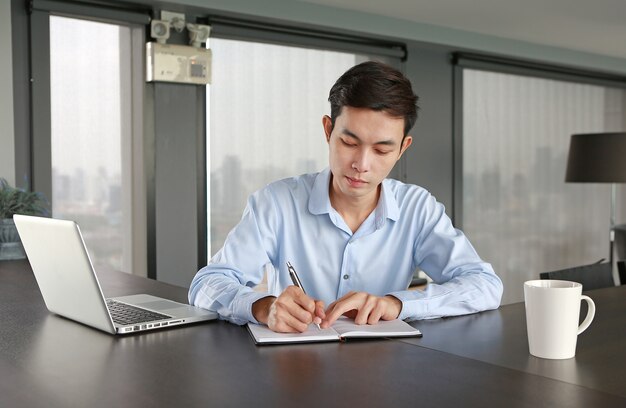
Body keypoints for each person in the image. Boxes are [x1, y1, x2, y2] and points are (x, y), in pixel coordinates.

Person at [189, 61, 503, 333]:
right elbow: (207, 284)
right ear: (328, 130)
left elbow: (484, 285)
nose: (361, 165)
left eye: (382, 150)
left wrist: (396, 304)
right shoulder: (277, 202)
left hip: (385, 372)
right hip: (293, 371)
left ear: (402, 149)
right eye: (349, 142)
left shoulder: (417, 209)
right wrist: (263, 307)